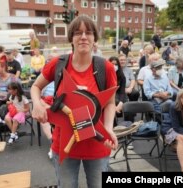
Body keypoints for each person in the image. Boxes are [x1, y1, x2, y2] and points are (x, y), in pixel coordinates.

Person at [30, 15, 118, 188]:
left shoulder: (104, 67)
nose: (83, 37)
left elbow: (110, 103)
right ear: (71, 38)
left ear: (94, 39)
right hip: (64, 145)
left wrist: (108, 128)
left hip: (97, 145)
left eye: (89, 32)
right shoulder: (59, 64)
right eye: (78, 33)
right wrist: (37, 104)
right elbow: (35, 87)